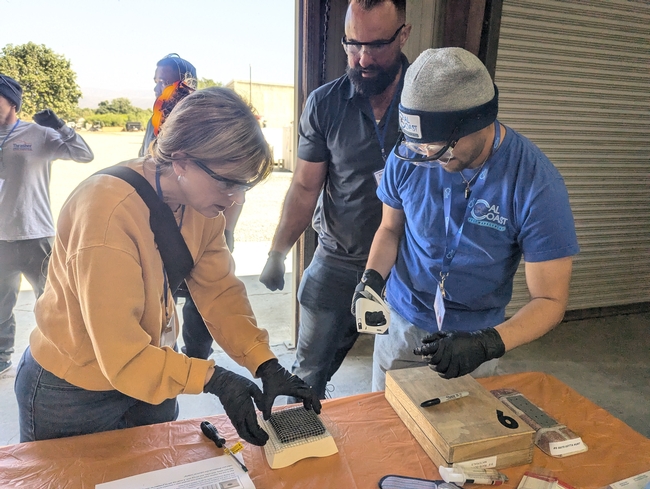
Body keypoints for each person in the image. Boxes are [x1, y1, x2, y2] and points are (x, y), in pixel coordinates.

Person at [15, 87, 320, 443]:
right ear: (180, 160)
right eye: (227, 182)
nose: (235, 198)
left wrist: (265, 362)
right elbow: (121, 355)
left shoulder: (202, 208)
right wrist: (212, 378)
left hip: (152, 374)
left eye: (244, 186)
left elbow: (220, 293)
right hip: (72, 391)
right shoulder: (106, 213)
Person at [352, 48, 579, 390]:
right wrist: (371, 279)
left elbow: (550, 301)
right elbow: (390, 228)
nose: (427, 156)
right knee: (387, 425)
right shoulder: (411, 157)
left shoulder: (536, 184)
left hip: (475, 337)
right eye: (419, 147)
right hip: (402, 322)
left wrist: (486, 344)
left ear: (479, 122)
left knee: (459, 433)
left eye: (439, 148)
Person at [259, 0, 411, 399]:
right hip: (339, 260)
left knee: (408, 380)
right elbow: (306, 187)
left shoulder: (428, 97)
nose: (362, 58)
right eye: (352, 44)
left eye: (376, 45)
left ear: (404, 35)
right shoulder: (324, 104)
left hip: (414, 266)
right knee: (306, 376)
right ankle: (299, 439)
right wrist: (278, 252)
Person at [140, 53, 243, 360]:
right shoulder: (156, 120)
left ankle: (197, 354)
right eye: (156, 81)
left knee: (203, 293)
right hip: (162, 226)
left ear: (187, 81)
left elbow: (235, 186)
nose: (159, 88)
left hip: (201, 224)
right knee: (159, 294)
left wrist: (226, 231)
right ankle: (162, 353)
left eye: (166, 80)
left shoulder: (204, 123)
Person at [0, 74, 94, 377]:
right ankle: (2, 357)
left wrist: (60, 126)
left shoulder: (38, 134)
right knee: (1, 305)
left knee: (54, 302)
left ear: (12, 102)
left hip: (36, 234)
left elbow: (84, 154)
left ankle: (55, 356)